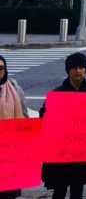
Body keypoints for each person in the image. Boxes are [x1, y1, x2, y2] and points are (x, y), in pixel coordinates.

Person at [40, 52, 86, 199]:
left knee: (78, 189)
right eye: (73, 67)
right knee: (59, 189)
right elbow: (44, 118)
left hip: (83, 150)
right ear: (68, 70)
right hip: (62, 151)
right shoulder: (57, 93)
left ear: (85, 69)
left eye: (81, 67)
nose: (77, 71)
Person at [0, 55, 28, 199]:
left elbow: (24, 116)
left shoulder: (15, 89)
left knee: (8, 193)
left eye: (0, 68)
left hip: (9, 152)